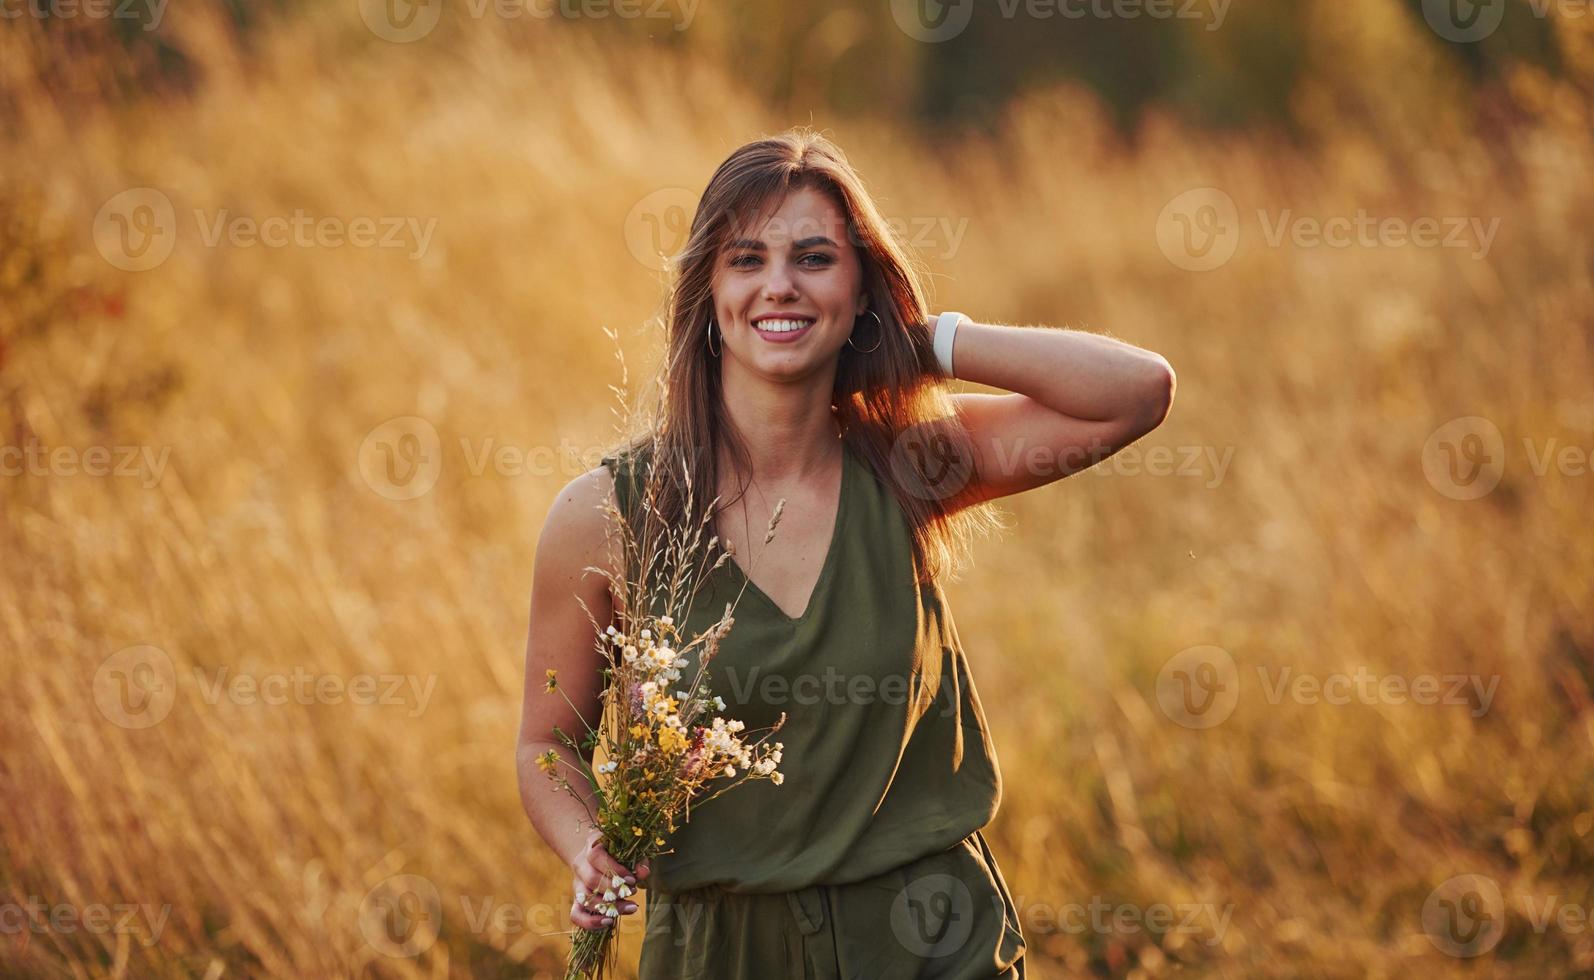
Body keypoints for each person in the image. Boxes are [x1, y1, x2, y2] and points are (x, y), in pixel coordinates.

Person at [518, 127, 1175, 978]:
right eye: (746, 259)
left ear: (860, 288)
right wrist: (588, 846)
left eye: (816, 259)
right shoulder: (608, 514)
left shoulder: (908, 462)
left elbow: (1136, 392)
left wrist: (923, 342)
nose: (779, 286)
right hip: (723, 952)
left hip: (929, 938)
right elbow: (546, 744)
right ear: (708, 292)